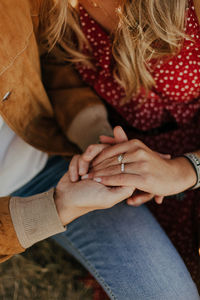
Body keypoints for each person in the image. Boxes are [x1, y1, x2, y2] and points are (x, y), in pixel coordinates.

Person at [0, 1, 200, 300]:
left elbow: (47, 69)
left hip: (66, 155)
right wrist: (57, 206)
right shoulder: (60, 11)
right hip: (75, 180)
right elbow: (59, 65)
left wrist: (186, 168)